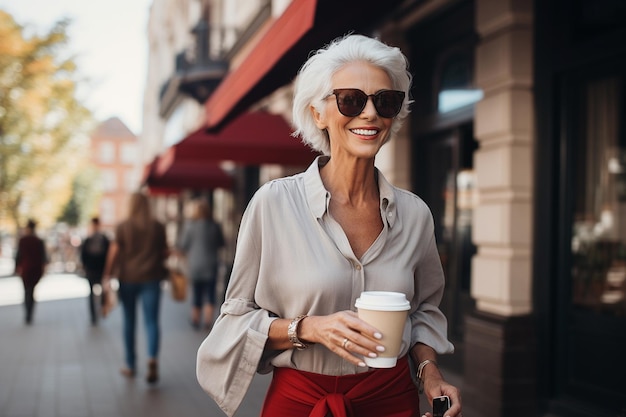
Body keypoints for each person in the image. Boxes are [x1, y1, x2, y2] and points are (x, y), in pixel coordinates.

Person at [196, 34, 462, 417]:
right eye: (351, 99)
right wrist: (306, 329)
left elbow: (422, 311)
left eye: (384, 102)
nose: (369, 114)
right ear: (318, 112)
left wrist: (429, 371)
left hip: (391, 402)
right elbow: (235, 319)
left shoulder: (415, 214)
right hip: (301, 403)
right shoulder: (273, 204)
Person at [103, 191, 169, 384]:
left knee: (129, 321)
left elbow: (114, 252)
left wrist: (107, 274)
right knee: (152, 322)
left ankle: (130, 365)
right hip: (152, 278)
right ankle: (152, 359)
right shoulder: (157, 226)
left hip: (128, 279)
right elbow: (164, 252)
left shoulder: (123, 226)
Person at [176, 199, 225, 331]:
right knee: (210, 293)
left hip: (195, 265)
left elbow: (183, 245)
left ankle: (195, 319)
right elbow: (221, 243)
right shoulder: (215, 226)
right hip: (211, 264)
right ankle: (208, 321)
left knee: (197, 293)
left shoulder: (189, 226)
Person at [14, 219, 47, 325]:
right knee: (31, 291)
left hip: (26, 269)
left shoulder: (23, 240)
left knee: (27, 291)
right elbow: (43, 257)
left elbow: (18, 255)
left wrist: (16, 267)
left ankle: (28, 313)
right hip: (35, 269)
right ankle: (30, 313)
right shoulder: (38, 241)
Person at [80, 217, 110, 324]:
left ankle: (95, 314)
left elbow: (83, 256)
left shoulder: (90, 240)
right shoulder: (102, 239)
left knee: (93, 293)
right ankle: (96, 313)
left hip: (94, 270)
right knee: (97, 291)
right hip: (97, 269)